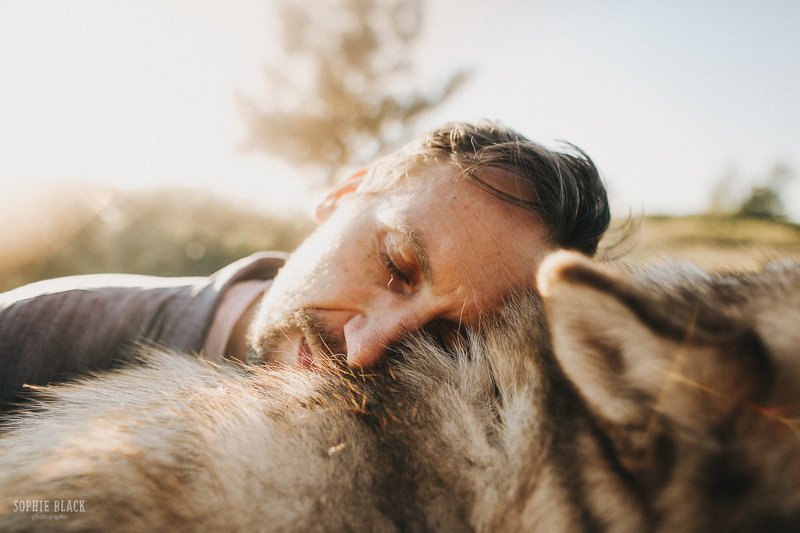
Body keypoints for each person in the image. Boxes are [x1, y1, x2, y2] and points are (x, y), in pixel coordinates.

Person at [0, 120, 610, 409]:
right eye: (397, 264)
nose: (368, 349)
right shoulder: (30, 336)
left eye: (448, 341)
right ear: (342, 195)